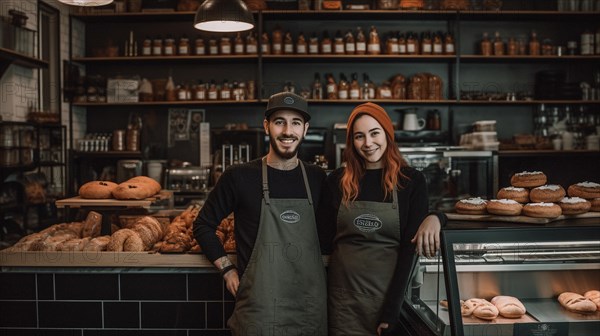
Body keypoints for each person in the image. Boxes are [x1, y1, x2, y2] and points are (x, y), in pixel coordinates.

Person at [193, 92, 327, 335]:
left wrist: (422, 218)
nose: (288, 131)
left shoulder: (317, 178)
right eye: (279, 122)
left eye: (296, 122)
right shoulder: (239, 176)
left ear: (305, 129)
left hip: (308, 308)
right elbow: (203, 224)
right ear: (267, 126)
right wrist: (227, 269)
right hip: (259, 307)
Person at [318, 102, 446, 336]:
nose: (368, 143)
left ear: (387, 134)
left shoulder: (411, 181)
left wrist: (438, 216)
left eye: (374, 133)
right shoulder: (336, 181)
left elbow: (409, 251)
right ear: (351, 142)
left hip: (391, 300)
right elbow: (324, 245)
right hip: (341, 304)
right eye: (359, 136)